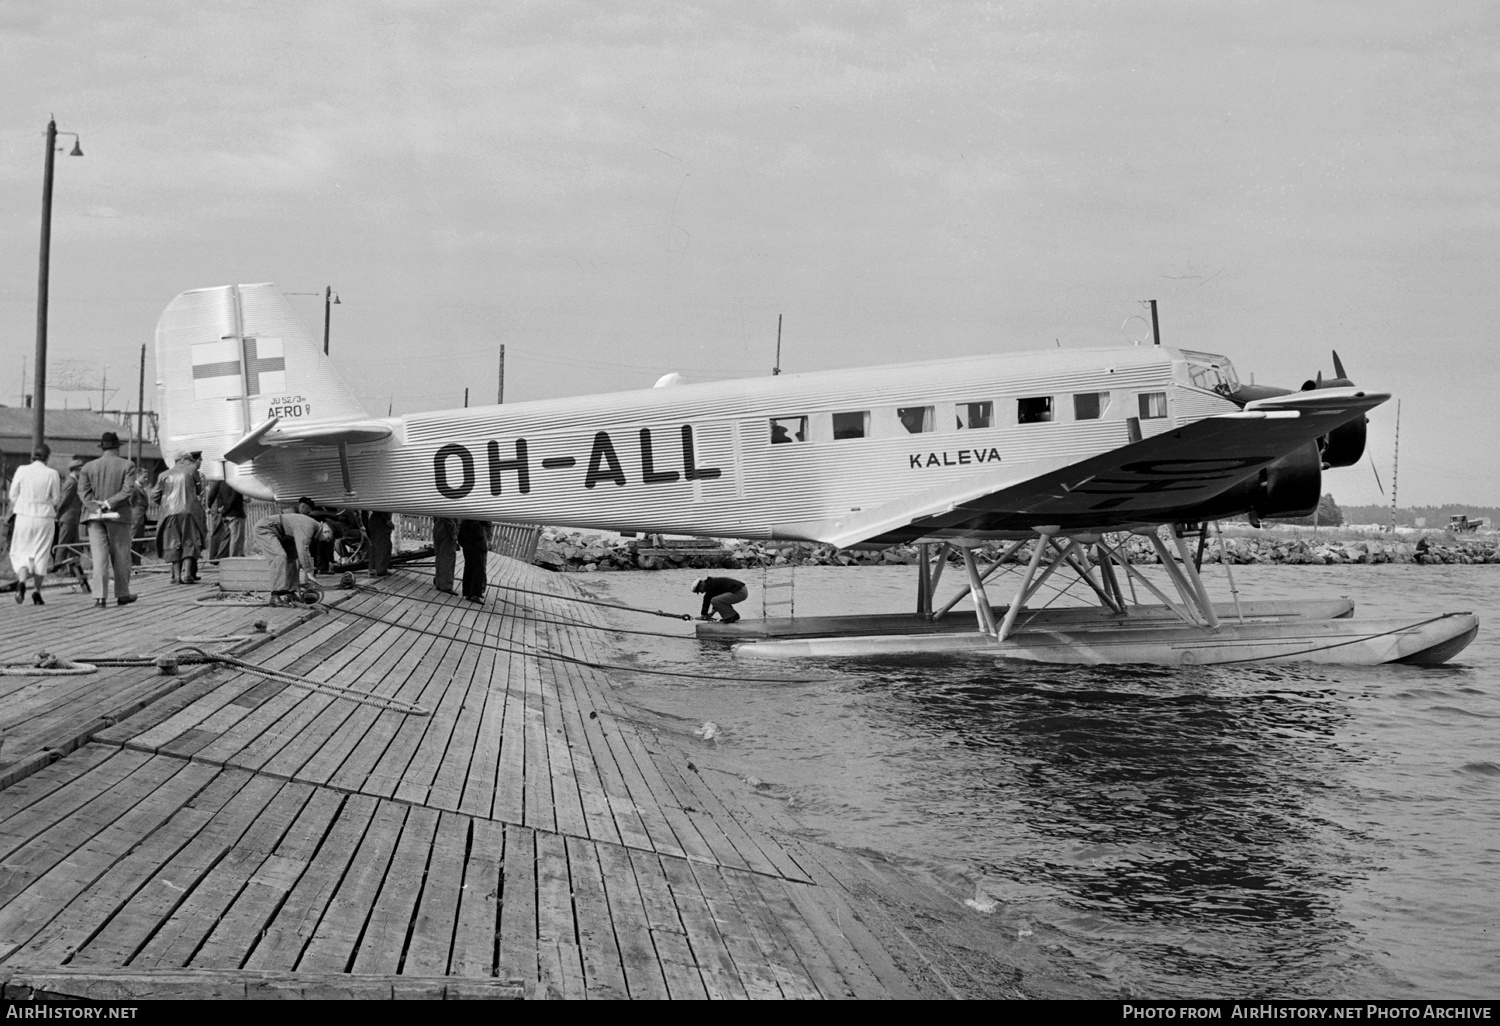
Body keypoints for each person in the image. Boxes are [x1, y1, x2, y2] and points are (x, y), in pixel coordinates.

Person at [78, 431, 138, 607]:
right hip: (118, 516)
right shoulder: (127, 465)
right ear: (118, 448)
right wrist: (108, 504)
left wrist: (96, 508)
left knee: (99, 558)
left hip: (94, 518)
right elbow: (127, 491)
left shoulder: (88, 467)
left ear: (102, 447)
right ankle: (122, 594)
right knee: (121, 557)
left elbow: (83, 492)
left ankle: (100, 597)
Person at [8, 444, 61, 606]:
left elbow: (12, 495)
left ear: (33, 456)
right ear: (47, 457)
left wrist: (24, 503)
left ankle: (22, 582)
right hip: (44, 517)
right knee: (41, 553)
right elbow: (56, 499)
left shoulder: (22, 470)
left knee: (22, 551)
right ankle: (37, 591)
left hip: (24, 516)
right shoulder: (52, 474)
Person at [254, 511, 333, 603]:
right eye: (328, 538)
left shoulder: (313, 527)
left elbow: (300, 553)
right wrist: (309, 573)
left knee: (291, 558)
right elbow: (303, 550)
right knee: (279, 556)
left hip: (281, 532)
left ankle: (290, 593)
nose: (326, 541)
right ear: (326, 531)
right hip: (265, 529)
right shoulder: (308, 527)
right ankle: (275, 594)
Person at [153, 453, 207, 584]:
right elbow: (199, 489)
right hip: (189, 512)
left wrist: (166, 503)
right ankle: (187, 574)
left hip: (169, 513)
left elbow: (155, 495)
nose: (191, 462)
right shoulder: (192, 470)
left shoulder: (163, 475)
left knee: (173, 542)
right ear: (183, 460)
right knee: (190, 540)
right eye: (189, 459)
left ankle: (177, 576)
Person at [51, 456, 85, 574]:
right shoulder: (71, 483)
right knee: (64, 544)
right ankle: (59, 568)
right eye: (81, 470)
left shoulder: (74, 482)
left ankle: (74, 570)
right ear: (75, 470)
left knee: (74, 546)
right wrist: (57, 515)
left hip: (73, 518)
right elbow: (64, 500)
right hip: (68, 517)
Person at [457, 519, 490, 603]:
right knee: (478, 571)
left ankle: (467, 592)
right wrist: (484, 547)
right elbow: (479, 536)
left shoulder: (465, 520)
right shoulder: (476, 524)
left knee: (468, 569)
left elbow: (460, 536)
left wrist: (464, 545)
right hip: (477, 548)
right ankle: (475, 594)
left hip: (467, 547)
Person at [128, 467, 152, 565]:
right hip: (135, 519)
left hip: (140, 519)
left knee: (138, 543)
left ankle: (137, 564)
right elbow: (130, 503)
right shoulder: (134, 488)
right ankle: (129, 564)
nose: (146, 480)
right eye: (144, 477)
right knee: (132, 541)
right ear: (138, 476)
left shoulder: (141, 488)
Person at [433, 516, 458, 594]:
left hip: (438, 526)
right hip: (446, 529)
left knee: (439, 556)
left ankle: (439, 582)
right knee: (447, 558)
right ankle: (446, 585)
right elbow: (449, 517)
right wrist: (454, 534)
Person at [365, 509, 393, 576]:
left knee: (374, 545)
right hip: (381, 521)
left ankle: (372, 569)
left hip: (374, 520)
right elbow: (383, 509)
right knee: (383, 545)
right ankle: (380, 570)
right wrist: (388, 521)